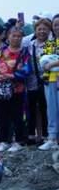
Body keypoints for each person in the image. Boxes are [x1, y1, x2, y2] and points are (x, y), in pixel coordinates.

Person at [0, 27, 31, 153]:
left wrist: (13, 76)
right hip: (1, 88)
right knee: (1, 115)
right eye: (14, 36)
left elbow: (27, 70)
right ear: (8, 37)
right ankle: (4, 140)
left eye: (19, 36)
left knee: (17, 115)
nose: (16, 38)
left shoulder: (24, 52)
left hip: (17, 89)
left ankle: (19, 140)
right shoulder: (1, 51)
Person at [25, 18, 51, 146]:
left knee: (45, 108)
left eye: (45, 29)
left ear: (49, 30)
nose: (42, 31)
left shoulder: (52, 44)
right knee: (31, 109)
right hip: (31, 81)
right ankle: (32, 135)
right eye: (39, 29)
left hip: (47, 81)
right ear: (35, 30)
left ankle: (46, 135)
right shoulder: (30, 45)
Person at [39, 15, 59, 151]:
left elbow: (49, 63)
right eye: (56, 25)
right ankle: (52, 138)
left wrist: (52, 63)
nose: (58, 27)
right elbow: (43, 62)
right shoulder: (49, 44)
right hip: (50, 80)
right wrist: (47, 65)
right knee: (51, 110)